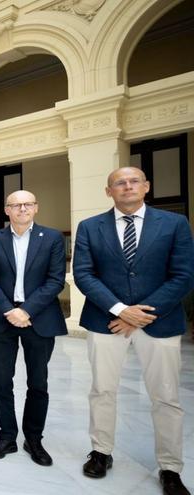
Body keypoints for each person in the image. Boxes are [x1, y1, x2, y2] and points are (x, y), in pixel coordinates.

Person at [73, 167, 193, 495]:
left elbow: (183, 275)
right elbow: (84, 274)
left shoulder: (174, 224)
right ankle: (101, 452)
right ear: (108, 191)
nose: (127, 186)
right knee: (102, 390)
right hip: (105, 321)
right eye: (119, 183)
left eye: (133, 181)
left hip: (160, 322)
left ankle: (170, 468)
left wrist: (139, 315)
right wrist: (120, 310)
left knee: (166, 397)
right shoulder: (89, 227)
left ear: (146, 187)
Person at [0, 190, 67, 466]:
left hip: (38, 319)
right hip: (2, 318)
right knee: (1, 382)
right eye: (16, 205)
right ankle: (7, 436)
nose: (22, 208)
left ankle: (34, 439)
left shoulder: (52, 238)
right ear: (7, 210)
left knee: (38, 383)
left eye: (28, 204)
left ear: (36, 208)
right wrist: (9, 310)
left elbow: (55, 280)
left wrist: (26, 310)